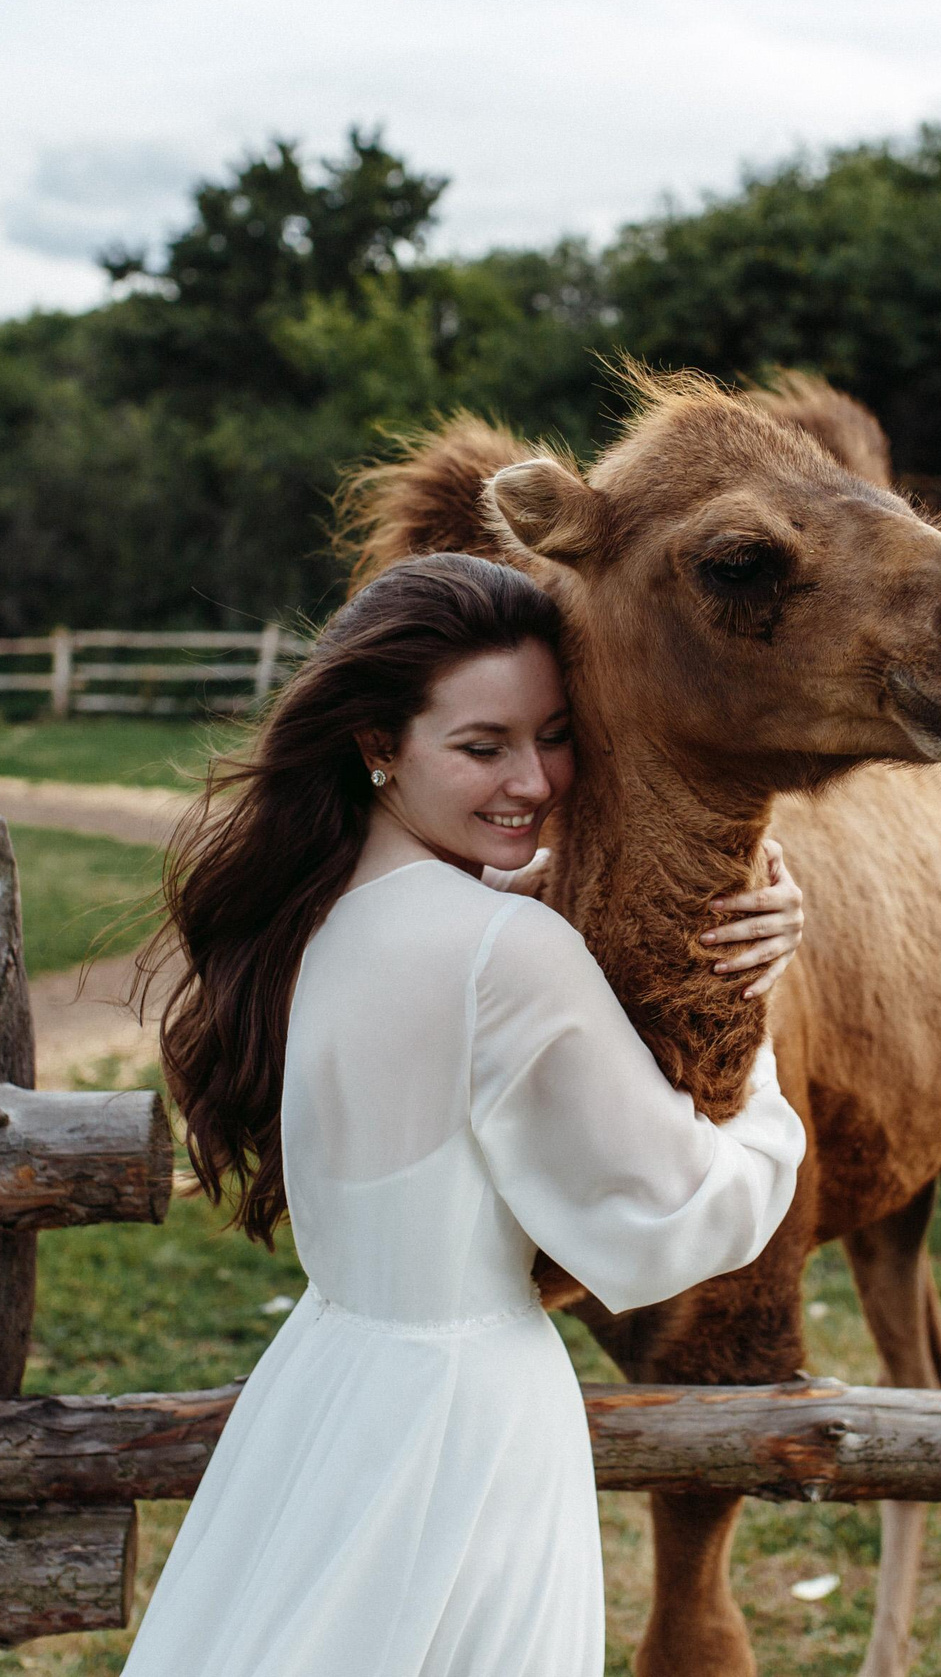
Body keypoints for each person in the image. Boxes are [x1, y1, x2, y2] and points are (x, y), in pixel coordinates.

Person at [124, 552, 810, 1677]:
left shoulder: (317, 914)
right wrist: (753, 1015)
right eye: (482, 747)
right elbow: (687, 1213)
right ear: (378, 745)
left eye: (553, 734)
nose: (533, 782)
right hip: (466, 1425)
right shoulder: (505, 953)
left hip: (328, 1388)